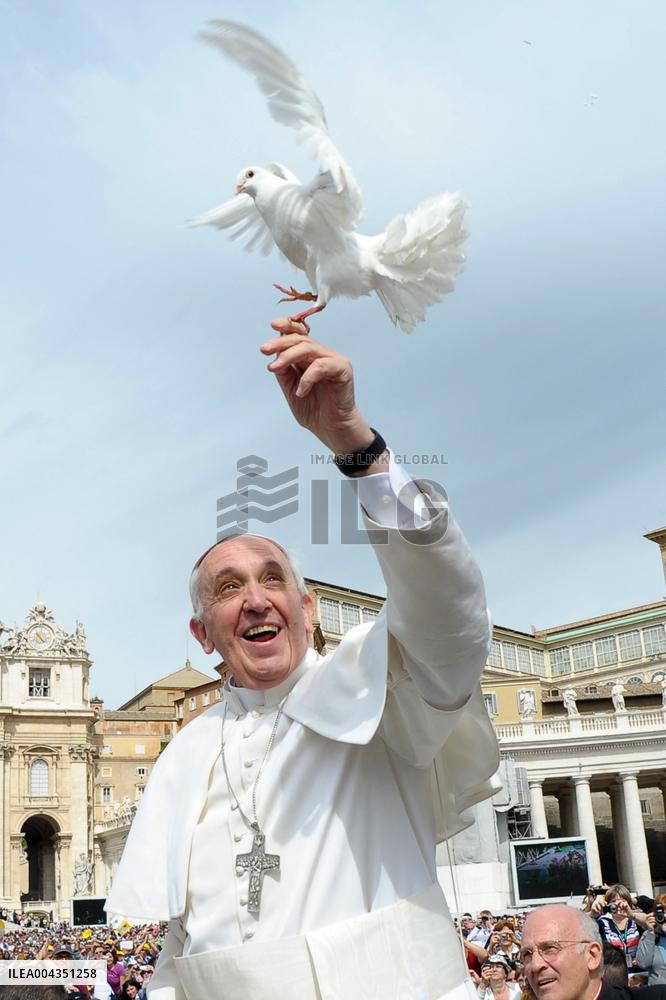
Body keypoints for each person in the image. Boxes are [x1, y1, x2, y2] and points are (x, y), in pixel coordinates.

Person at [106, 325, 501, 1000]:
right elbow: (186, 948)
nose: (256, 600)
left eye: (272, 580)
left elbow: (449, 615)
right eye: (230, 589)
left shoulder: (379, 691)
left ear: (309, 609)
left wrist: (356, 446)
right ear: (204, 635)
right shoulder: (187, 753)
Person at [593, 885, 645, 970]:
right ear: (607, 904)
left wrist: (631, 915)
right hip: (615, 974)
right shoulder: (602, 924)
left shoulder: (637, 921)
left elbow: (650, 919)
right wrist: (592, 915)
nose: (617, 905)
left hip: (640, 975)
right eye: (613, 901)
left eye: (622, 901)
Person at [636, 895, 666, 985]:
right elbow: (643, 964)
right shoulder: (650, 935)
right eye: (661, 914)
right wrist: (650, 932)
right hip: (659, 993)